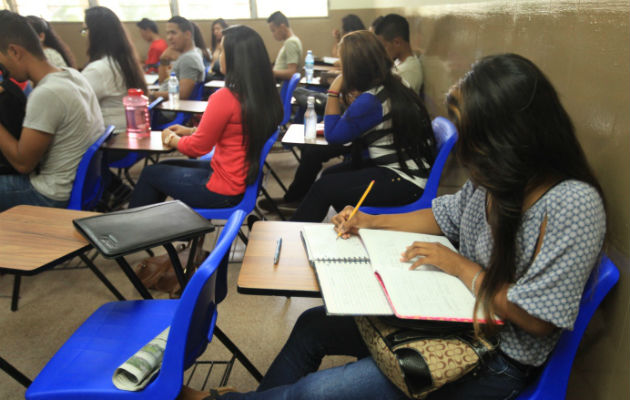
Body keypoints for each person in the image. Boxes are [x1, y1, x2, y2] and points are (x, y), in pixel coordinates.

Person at [177, 54, 607, 400]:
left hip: (494, 359)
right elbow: (444, 214)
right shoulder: (498, 178)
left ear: (514, 137)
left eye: (477, 142)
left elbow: (538, 320)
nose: (470, 159)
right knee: (313, 325)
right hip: (457, 317)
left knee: (315, 392)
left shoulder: (571, 204)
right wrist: (371, 220)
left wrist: (459, 266)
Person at [128, 25, 283, 208]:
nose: (219, 56)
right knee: (163, 168)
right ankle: (154, 229)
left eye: (222, 50)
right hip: (241, 179)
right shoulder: (263, 94)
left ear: (235, 58)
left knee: (150, 174)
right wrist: (191, 130)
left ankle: (135, 231)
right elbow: (237, 132)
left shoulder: (226, 97)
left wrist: (170, 138)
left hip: (223, 189)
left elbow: (197, 148)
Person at [289, 31, 435, 222]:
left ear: (354, 67)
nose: (341, 68)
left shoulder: (372, 99)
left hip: (405, 181)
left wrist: (334, 91)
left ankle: (294, 236)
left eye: (343, 64)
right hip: (405, 170)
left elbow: (333, 135)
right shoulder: (392, 82)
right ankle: (351, 222)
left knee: (324, 187)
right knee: (330, 174)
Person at [0, 10, 103, 211]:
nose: (4, 72)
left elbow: (23, 164)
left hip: (47, 196)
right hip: (79, 188)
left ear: (14, 51)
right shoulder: (72, 75)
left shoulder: (47, 93)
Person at [82, 6, 147, 132]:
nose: (84, 36)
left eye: (85, 30)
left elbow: (75, 104)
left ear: (96, 33)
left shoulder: (98, 70)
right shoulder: (124, 61)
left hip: (111, 140)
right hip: (126, 134)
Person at [153, 16, 205, 101]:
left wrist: (152, 94)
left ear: (187, 34)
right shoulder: (195, 52)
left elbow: (183, 94)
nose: (169, 37)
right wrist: (163, 60)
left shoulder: (189, 59)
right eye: (168, 33)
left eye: (173, 33)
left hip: (169, 110)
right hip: (165, 105)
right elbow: (163, 83)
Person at [374, 13, 423, 94]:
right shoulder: (398, 62)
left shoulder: (408, 71)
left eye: (383, 47)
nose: (381, 52)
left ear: (397, 43)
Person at [267, 11, 303, 81]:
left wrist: (269, 73)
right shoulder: (291, 41)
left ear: (282, 27)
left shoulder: (291, 42)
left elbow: (291, 73)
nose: (273, 35)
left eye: (273, 30)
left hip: (281, 85)